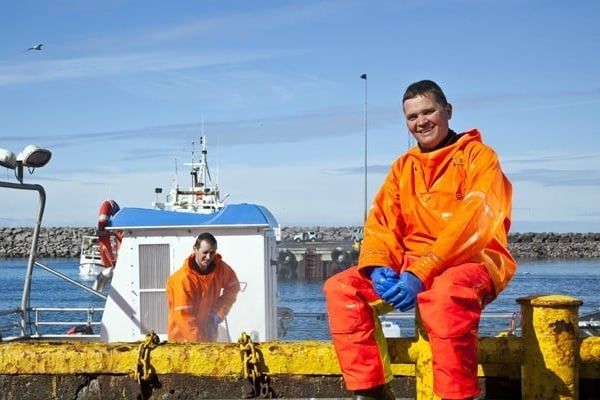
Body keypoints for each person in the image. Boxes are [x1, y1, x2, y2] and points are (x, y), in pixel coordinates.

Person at [324, 80, 516, 400]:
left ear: (448, 111)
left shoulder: (479, 157)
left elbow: (473, 221)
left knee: (445, 298)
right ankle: (372, 392)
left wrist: (422, 271)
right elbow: (383, 220)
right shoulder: (403, 167)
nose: (421, 122)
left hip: (473, 259)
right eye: (412, 117)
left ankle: (457, 397)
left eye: (428, 112)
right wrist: (377, 266)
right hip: (413, 264)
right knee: (341, 289)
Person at [166, 232, 241, 342]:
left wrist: (217, 313)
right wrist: (200, 343)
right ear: (195, 249)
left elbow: (233, 287)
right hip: (182, 343)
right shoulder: (182, 279)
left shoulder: (220, 269)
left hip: (208, 338)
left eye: (212, 252)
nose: (208, 257)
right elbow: (183, 316)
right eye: (205, 252)